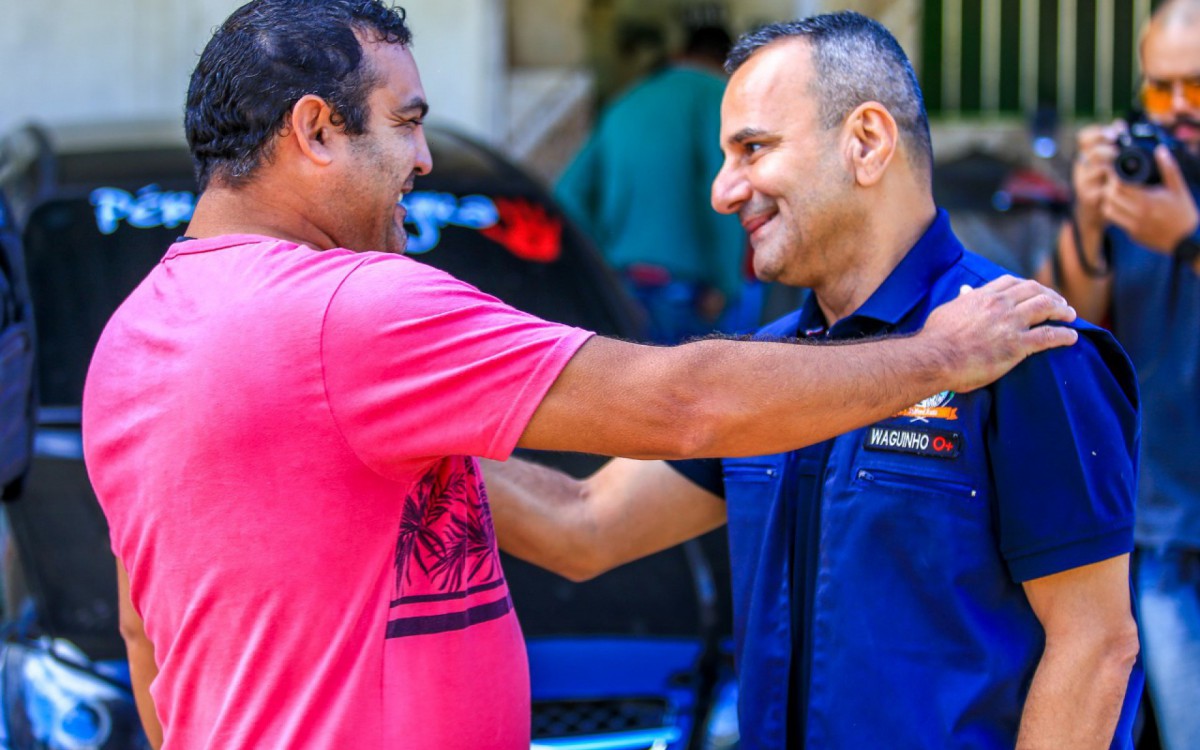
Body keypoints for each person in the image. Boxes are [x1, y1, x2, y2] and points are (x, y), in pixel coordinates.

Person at [80, 2, 1079, 748]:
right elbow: (684, 405)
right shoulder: (355, 309)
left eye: (753, 149)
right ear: (315, 131)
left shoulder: (128, 344)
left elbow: (147, 637)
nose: (424, 156)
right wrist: (942, 358)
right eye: (407, 120)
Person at [486, 13, 1143, 749]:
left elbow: (1096, 648)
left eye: (753, 149)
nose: (722, 191)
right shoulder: (770, 370)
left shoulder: (1027, 348)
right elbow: (583, 525)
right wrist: (405, 433)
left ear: (866, 142)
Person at [1047, 1, 1200, 746]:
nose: (1175, 113)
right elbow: (1070, 327)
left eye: (1195, 90)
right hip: (1145, 520)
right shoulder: (1144, 178)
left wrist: (1190, 239)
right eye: (1157, 90)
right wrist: (1089, 217)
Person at [555, 25, 746, 343]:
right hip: (688, 289)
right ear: (728, 65)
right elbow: (723, 188)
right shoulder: (716, 95)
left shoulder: (625, 102)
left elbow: (567, 192)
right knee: (697, 391)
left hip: (621, 281)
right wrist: (726, 283)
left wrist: (600, 258)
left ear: (681, 55)